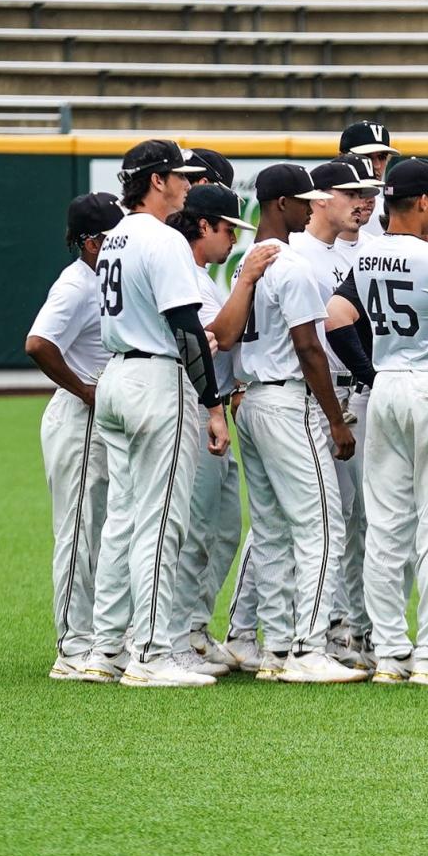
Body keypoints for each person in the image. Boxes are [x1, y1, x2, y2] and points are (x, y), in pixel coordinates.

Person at [324, 157, 428, 685]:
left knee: (388, 525)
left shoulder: (367, 254)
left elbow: (337, 314)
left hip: (387, 383)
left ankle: (392, 652)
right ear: (421, 201)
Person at [81, 139, 226, 688]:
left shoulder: (114, 235)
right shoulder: (162, 238)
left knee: (123, 518)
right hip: (153, 378)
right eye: (181, 176)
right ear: (157, 180)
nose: (189, 184)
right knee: (162, 519)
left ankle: (103, 650)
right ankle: (149, 652)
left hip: (116, 374)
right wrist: (212, 403)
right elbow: (187, 329)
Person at [218, 163, 365, 685]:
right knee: (322, 524)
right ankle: (308, 647)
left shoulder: (246, 264)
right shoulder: (293, 264)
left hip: (252, 401)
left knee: (274, 530)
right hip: (287, 401)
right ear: (282, 204)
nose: (310, 208)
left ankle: (277, 645)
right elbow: (309, 347)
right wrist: (336, 421)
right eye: (303, 200)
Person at [166, 184, 265, 678]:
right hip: (191, 409)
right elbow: (218, 338)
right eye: (228, 229)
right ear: (203, 226)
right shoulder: (185, 273)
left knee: (223, 529)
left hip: (215, 407)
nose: (232, 240)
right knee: (194, 530)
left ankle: (195, 627)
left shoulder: (200, 275)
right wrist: (246, 279)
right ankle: (175, 635)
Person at [290, 159, 384, 670]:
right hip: (316, 398)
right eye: (351, 191)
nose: (363, 200)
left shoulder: (367, 252)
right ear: (319, 198)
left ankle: (355, 628)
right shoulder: (295, 254)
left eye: (369, 191)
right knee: (324, 520)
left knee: (363, 517)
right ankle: (316, 631)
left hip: (358, 396)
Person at [26, 192, 123, 681]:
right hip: (78, 418)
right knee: (79, 531)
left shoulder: (105, 279)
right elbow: (38, 343)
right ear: (89, 243)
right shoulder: (77, 284)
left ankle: (97, 637)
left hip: (100, 416)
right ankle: (72, 645)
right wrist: (84, 389)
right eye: (110, 236)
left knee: (104, 529)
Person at [339, 120, 398, 237]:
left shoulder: (391, 214)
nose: (376, 165)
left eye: (382, 157)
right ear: (341, 158)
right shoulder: (322, 209)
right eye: (367, 156)